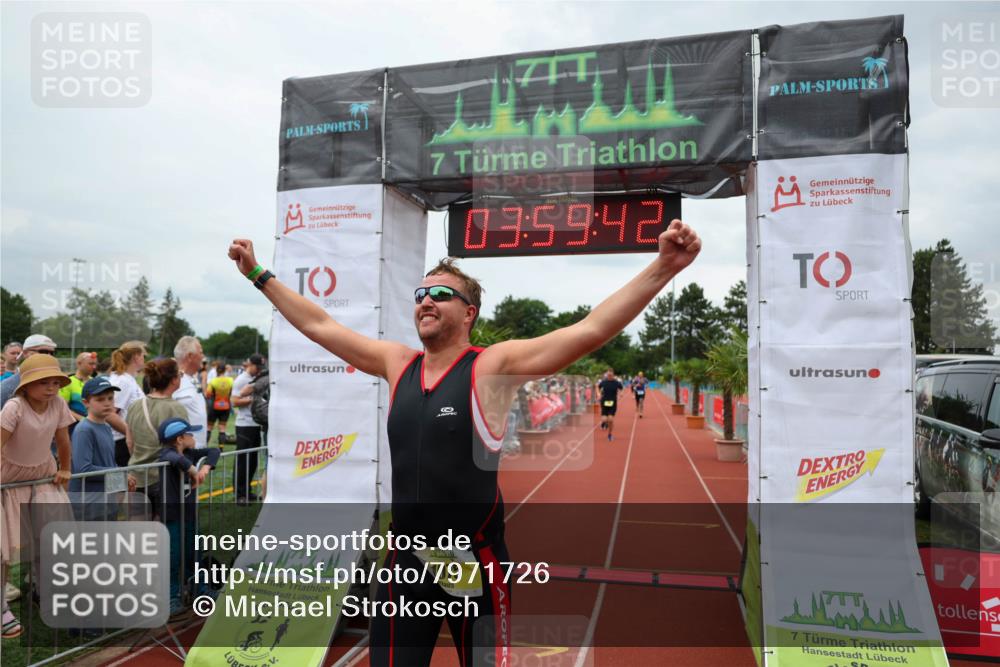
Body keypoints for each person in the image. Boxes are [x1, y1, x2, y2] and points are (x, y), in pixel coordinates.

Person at [228, 217, 701, 666]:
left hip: (474, 561)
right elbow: (320, 326)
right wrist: (258, 274)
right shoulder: (398, 364)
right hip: (406, 561)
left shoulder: (491, 367)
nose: (426, 301)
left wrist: (663, 267)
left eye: (441, 294)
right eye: (420, 294)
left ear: (469, 312)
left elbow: (590, 329)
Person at [0, 354, 75, 639]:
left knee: (50, 538)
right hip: (7, 482)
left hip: (43, 477)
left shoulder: (58, 404)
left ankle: (45, 591)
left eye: (55, 382)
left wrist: (66, 468)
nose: (51, 387)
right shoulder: (13, 407)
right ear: (26, 384)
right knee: (3, 550)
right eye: (43, 382)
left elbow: (63, 439)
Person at [156, 417, 219, 615]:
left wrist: (205, 467)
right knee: (174, 555)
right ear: (180, 439)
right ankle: (171, 596)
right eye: (190, 434)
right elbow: (175, 459)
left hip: (189, 513)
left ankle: (199, 590)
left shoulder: (191, 452)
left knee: (194, 552)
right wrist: (193, 470)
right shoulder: (167, 454)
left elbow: (214, 451)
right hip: (173, 514)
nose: (194, 436)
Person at [126, 359, 189, 516]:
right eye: (180, 374)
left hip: (135, 475)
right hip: (163, 478)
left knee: (139, 526)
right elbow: (183, 443)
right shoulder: (176, 408)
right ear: (174, 380)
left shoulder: (135, 405)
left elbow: (129, 441)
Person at [69, 377, 126, 521]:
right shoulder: (84, 429)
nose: (107, 403)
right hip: (89, 505)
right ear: (86, 403)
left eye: (110, 398)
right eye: (100, 399)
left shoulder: (106, 427)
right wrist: (120, 474)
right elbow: (84, 469)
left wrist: (120, 481)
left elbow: (108, 464)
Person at [107, 341, 147, 467]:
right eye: (143, 356)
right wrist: (131, 434)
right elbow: (109, 414)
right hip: (121, 443)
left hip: (126, 441)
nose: (144, 359)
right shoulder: (122, 381)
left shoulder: (128, 379)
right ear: (136, 357)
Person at [230, 354, 264, 505]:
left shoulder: (256, 378)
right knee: (243, 461)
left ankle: (247, 491)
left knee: (252, 461)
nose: (259, 370)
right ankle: (239, 495)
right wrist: (253, 399)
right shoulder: (241, 380)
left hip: (255, 424)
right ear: (250, 365)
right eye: (257, 367)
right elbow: (235, 401)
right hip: (244, 425)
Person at [0, 334, 58, 409]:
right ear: (25, 353)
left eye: (52, 353)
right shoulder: (8, 386)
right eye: (44, 351)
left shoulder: (54, 383)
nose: (49, 356)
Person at [172, 337, 208, 449]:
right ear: (190, 356)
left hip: (197, 448)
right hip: (184, 451)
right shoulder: (173, 380)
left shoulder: (192, 378)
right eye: (201, 353)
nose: (203, 357)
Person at [60, 352, 98, 424]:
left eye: (95, 364)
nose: (94, 367)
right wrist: (82, 419)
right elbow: (62, 408)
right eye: (91, 364)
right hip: (74, 426)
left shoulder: (95, 381)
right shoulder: (68, 382)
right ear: (79, 364)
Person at [205, 362, 234, 446]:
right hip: (226, 406)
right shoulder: (230, 380)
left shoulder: (213, 381)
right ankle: (221, 448)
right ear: (225, 370)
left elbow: (208, 394)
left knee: (209, 428)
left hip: (214, 406)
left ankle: (205, 445)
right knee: (222, 428)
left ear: (216, 370)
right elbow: (232, 392)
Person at [598, 369, 624, 441]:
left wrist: (621, 393)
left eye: (610, 375)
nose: (609, 376)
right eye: (608, 375)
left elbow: (621, 388)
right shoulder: (603, 382)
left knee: (611, 419)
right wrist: (599, 394)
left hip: (613, 403)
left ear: (613, 375)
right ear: (607, 375)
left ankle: (609, 435)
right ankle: (604, 423)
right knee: (604, 419)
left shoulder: (616, 383)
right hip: (604, 402)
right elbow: (598, 387)